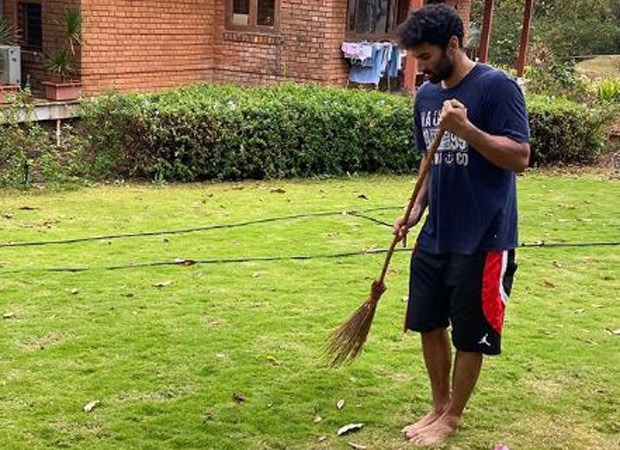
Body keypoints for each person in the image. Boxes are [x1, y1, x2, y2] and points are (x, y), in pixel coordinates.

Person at [392, 4, 530, 445]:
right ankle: (437, 406)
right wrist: (416, 209)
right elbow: (431, 160)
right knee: (429, 321)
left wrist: (468, 130)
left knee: (471, 333)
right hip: (437, 233)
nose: (424, 68)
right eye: (417, 59)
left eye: (429, 57)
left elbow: (519, 158)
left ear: (454, 44)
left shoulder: (496, 88)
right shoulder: (427, 97)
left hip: (485, 235)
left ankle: (452, 417)